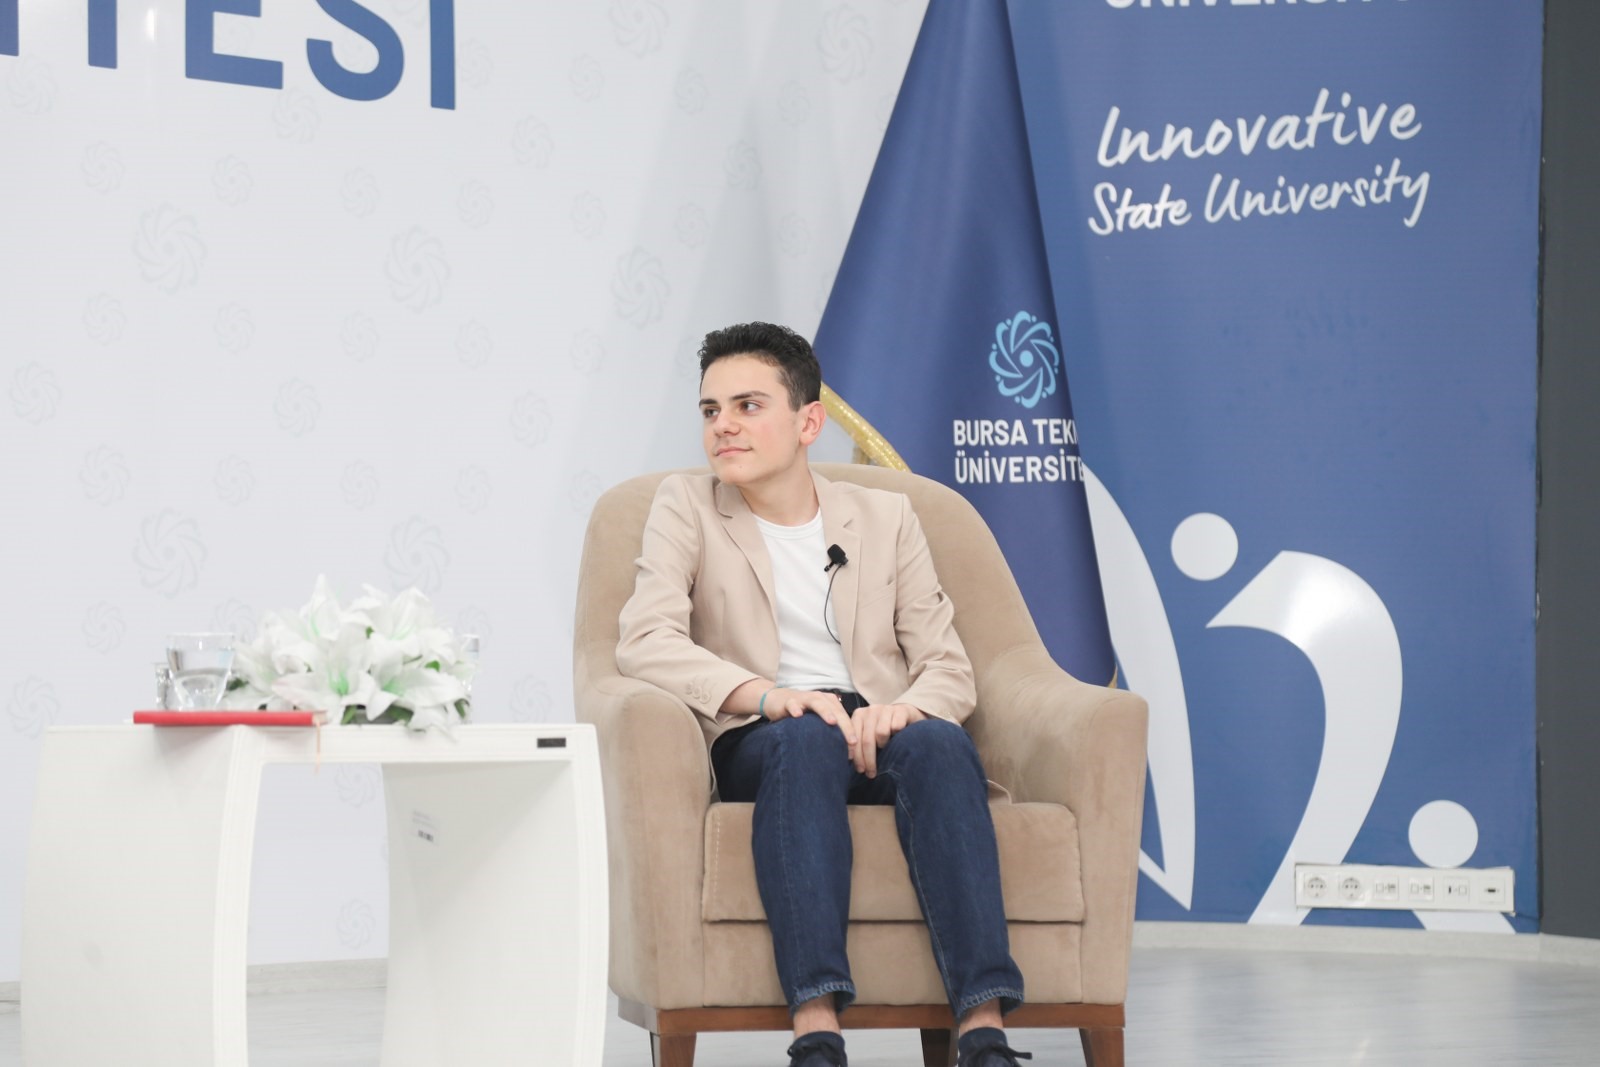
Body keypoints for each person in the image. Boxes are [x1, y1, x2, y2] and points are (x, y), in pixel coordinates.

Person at [616, 322, 1031, 1067]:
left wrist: (904, 709)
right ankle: (816, 1030)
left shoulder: (885, 516)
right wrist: (767, 695)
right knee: (804, 735)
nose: (723, 425)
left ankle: (984, 1030)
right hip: (763, 732)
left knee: (940, 742)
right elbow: (645, 639)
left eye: (747, 405)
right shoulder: (686, 506)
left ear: (808, 422)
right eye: (710, 410)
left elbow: (946, 663)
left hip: (875, 723)